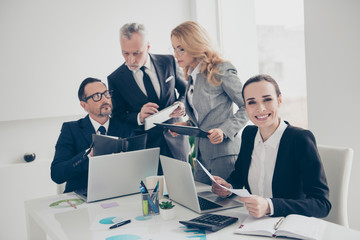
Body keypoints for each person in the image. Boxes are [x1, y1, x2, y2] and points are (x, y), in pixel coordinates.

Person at [211, 74, 331, 218]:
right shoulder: (249, 134)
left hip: (287, 225)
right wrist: (228, 188)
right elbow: (239, 176)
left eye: (267, 99)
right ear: (246, 107)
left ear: (279, 100)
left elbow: (321, 205)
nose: (260, 109)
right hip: (252, 222)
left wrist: (269, 206)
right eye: (251, 102)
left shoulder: (300, 139)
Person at [169, 21, 248, 185]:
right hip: (201, 156)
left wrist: (224, 130)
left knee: (228, 205)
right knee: (201, 204)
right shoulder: (192, 76)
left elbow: (248, 105)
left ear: (195, 44)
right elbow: (202, 118)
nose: (176, 54)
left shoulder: (221, 69)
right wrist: (185, 125)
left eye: (181, 49)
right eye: (174, 48)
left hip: (224, 154)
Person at [108, 23, 190, 174]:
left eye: (136, 53)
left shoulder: (169, 62)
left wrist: (182, 104)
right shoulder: (115, 79)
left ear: (148, 47)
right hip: (145, 150)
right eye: (125, 53)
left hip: (176, 143)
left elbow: (186, 90)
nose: (130, 60)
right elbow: (117, 116)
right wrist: (138, 116)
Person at [51, 78, 134, 193]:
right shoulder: (71, 129)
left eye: (106, 94)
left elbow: (134, 171)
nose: (105, 99)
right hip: (82, 197)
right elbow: (57, 174)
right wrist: (87, 155)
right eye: (96, 96)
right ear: (84, 105)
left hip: (118, 194)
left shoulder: (126, 129)